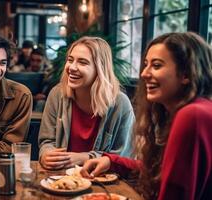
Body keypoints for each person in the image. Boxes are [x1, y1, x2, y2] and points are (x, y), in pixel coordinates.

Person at [81, 32, 212, 200]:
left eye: (156, 66)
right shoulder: (198, 109)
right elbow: (161, 172)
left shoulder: (191, 115)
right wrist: (112, 162)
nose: (144, 73)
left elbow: (175, 191)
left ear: (186, 74)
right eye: (146, 64)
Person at [38, 36, 135, 170]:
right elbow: (46, 141)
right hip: (61, 178)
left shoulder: (120, 103)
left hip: (105, 183)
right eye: (70, 60)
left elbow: (124, 156)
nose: (72, 67)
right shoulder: (57, 94)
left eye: (82, 62)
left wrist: (84, 157)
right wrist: (46, 154)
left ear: (100, 69)